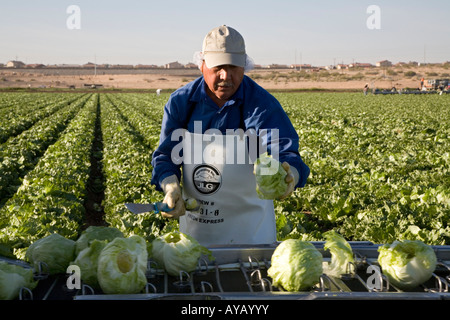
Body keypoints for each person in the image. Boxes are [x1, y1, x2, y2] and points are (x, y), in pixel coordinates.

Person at [151, 25, 310, 246]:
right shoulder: (181, 103)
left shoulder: (260, 105)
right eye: (218, 67)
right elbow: (166, 156)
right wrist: (170, 186)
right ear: (202, 65)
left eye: (234, 67)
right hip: (198, 230)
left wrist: (289, 175)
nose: (226, 76)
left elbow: (284, 151)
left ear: (244, 67)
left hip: (251, 236)